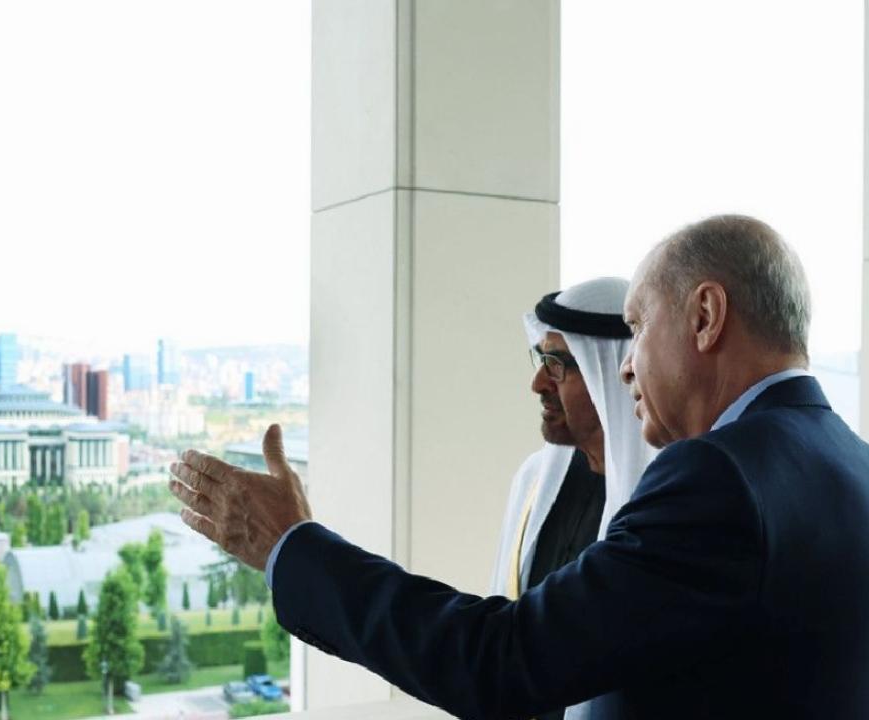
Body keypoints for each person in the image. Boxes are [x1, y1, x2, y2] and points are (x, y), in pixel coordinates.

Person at [169, 214, 869, 718]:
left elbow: (504, 659)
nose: (627, 366)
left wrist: (294, 547)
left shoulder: (714, 480)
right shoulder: (852, 464)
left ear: (706, 316)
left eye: (638, 328)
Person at [495, 277, 656, 720]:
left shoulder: (658, 498)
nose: (538, 383)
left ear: (611, 371)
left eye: (558, 365)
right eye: (541, 359)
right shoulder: (534, 481)